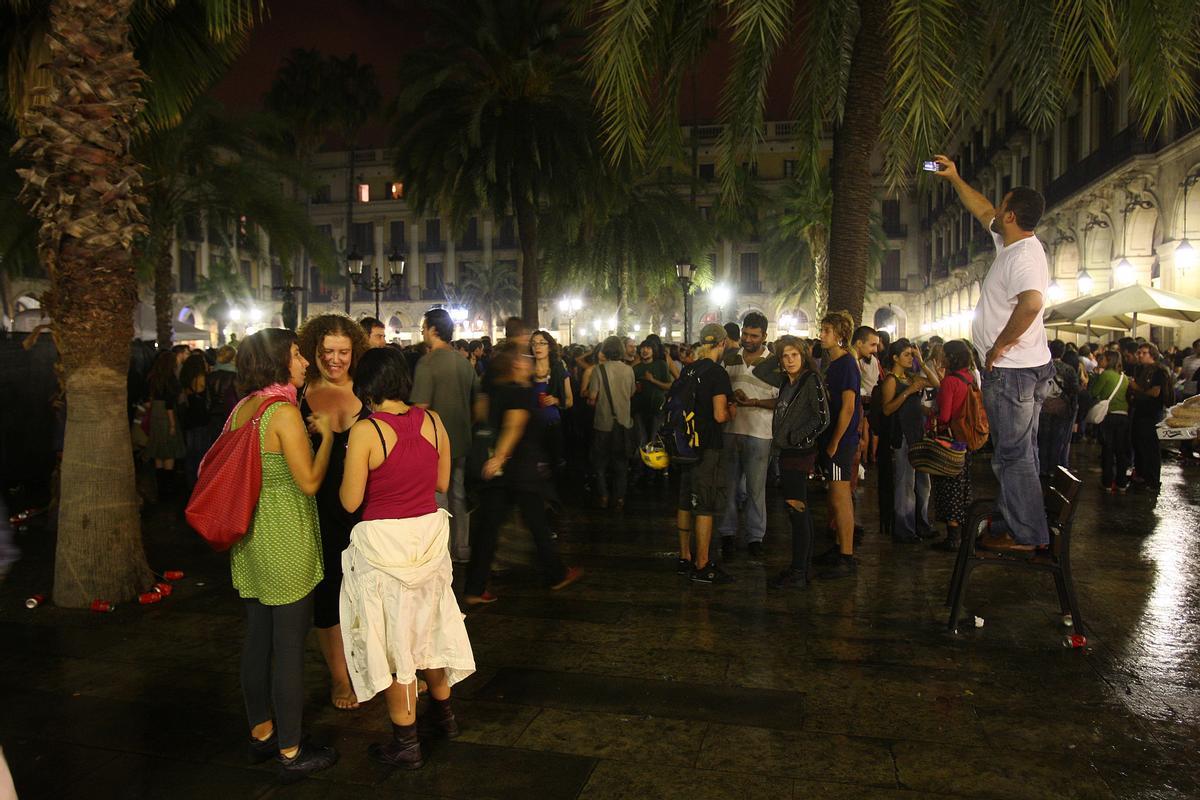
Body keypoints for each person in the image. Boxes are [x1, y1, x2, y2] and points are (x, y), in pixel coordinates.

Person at [337, 347, 475, 769]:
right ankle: (445, 717)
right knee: (429, 630)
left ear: (366, 385)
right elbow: (441, 482)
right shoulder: (433, 421)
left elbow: (350, 501)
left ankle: (406, 742)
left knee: (396, 644)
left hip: (384, 546)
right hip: (428, 541)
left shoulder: (367, 431)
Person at [230, 328, 337, 780]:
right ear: (276, 360)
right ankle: (291, 751)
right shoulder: (283, 412)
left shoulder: (245, 408)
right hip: (286, 539)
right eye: (296, 353)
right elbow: (309, 481)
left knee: (258, 639)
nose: (305, 361)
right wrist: (326, 437)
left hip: (252, 539)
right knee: (290, 648)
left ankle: (262, 733)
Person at [934, 154, 1052, 553]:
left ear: (1012, 216)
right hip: (1023, 368)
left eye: (1003, 207)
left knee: (1013, 456)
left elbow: (1032, 303)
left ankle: (1027, 534)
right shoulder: (1011, 242)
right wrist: (955, 178)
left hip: (1013, 371)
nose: (996, 211)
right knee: (1022, 452)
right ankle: (1015, 521)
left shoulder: (1023, 258)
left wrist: (1000, 344)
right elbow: (982, 209)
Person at [464, 343, 583, 604]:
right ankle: (556, 573)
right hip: (519, 469)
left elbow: (480, 415)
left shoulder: (490, 386)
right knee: (537, 523)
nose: (528, 362)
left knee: (489, 528)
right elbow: (514, 426)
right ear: (516, 364)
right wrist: (500, 457)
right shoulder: (518, 392)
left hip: (500, 474)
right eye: (524, 358)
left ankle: (475, 587)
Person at [293, 314, 371, 709]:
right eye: (326, 351)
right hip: (318, 511)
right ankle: (340, 679)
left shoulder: (368, 390)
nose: (334, 359)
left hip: (367, 510)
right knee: (328, 596)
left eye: (343, 352)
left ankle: (380, 667)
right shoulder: (298, 394)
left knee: (371, 592)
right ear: (313, 351)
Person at [756, 337, 829, 589]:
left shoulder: (810, 380)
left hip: (798, 453)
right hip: (787, 451)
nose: (789, 361)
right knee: (798, 510)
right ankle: (801, 568)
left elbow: (822, 418)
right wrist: (774, 350)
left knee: (796, 509)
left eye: (794, 355)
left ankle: (799, 571)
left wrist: (795, 438)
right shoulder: (786, 381)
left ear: (804, 356)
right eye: (785, 357)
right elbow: (759, 371)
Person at [411, 308, 479, 564]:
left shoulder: (427, 363)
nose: (422, 332)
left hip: (435, 445)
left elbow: (420, 407)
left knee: (438, 498)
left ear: (433, 329)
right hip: (461, 441)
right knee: (458, 494)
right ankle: (462, 547)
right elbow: (478, 401)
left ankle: (443, 553)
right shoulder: (464, 363)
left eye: (424, 327)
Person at [674, 324, 736, 584]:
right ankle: (702, 564)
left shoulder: (688, 369)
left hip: (684, 446)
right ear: (722, 343)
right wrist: (733, 409)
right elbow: (720, 415)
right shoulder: (717, 373)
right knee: (705, 504)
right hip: (707, 446)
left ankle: (684, 557)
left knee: (685, 500)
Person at [718, 312, 778, 559]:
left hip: (760, 433)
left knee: (756, 489)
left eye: (754, 336)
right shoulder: (730, 359)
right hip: (731, 431)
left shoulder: (774, 364)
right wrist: (732, 397)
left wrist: (754, 401)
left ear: (764, 336)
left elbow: (781, 401)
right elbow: (720, 392)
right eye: (745, 334)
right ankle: (727, 533)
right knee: (728, 486)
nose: (748, 339)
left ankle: (755, 537)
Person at [809, 311, 862, 577]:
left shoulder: (846, 364)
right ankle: (840, 545)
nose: (822, 335)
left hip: (841, 440)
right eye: (822, 329)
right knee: (835, 495)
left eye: (827, 330)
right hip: (834, 438)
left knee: (841, 497)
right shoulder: (835, 364)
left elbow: (849, 407)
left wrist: (835, 442)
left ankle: (846, 555)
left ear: (840, 335)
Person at [878, 341, 933, 543]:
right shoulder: (891, 380)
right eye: (907, 355)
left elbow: (937, 383)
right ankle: (904, 528)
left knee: (923, 483)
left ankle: (922, 524)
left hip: (918, 434)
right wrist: (908, 392)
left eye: (912, 354)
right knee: (905, 483)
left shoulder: (911, 376)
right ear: (895, 358)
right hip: (902, 435)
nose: (911, 358)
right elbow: (887, 409)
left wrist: (922, 361)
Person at [929, 340, 977, 551]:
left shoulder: (950, 382)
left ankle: (953, 538)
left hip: (950, 442)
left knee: (949, 488)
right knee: (962, 486)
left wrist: (929, 412)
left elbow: (945, 416)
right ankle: (963, 533)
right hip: (965, 439)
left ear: (951, 357)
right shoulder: (969, 377)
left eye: (944, 354)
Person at [586, 336, 636, 510]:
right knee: (621, 464)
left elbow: (592, 397)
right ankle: (620, 498)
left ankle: (604, 496)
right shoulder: (629, 370)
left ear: (605, 350)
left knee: (600, 462)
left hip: (603, 423)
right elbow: (631, 393)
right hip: (624, 424)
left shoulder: (598, 370)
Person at [1128, 342, 1172, 492]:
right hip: (1140, 412)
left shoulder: (1159, 371)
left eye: (1144, 353)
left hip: (1152, 414)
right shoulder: (1140, 369)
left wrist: (1136, 388)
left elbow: (1155, 392)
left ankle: (1152, 481)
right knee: (1139, 445)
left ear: (1152, 354)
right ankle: (1141, 476)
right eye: (1139, 352)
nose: (1140, 355)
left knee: (1150, 447)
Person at [143, 350, 186, 501]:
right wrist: (173, 424)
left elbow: (146, 399)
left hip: (155, 414)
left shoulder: (152, 377)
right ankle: (168, 489)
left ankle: (160, 488)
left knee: (158, 451)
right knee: (169, 450)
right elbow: (169, 403)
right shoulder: (170, 379)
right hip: (166, 415)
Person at [1090, 349, 1130, 493]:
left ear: (1108, 360)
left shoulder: (1105, 374)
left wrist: (1095, 377)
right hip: (1123, 415)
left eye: (1103, 358)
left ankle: (1107, 483)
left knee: (1108, 449)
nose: (1100, 361)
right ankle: (1121, 483)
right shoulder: (1124, 377)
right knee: (1120, 450)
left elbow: (1094, 392)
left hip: (1109, 415)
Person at [1037, 340, 1079, 477]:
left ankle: (1042, 468)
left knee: (1042, 439)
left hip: (1044, 406)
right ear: (1063, 352)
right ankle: (1053, 469)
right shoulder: (1069, 369)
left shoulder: (1042, 367)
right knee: (1057, 439)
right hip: (1061, 408)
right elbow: (1074, 390)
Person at [631, 338, 671, 477]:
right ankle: (640, 470)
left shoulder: (661, 365)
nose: (645, 350)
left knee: (655, 439)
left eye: (648, 348)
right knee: (641, 440)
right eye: (643, 348)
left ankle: (656, 470)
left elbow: (669, 386)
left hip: (657, 408)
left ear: (653, 351)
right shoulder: (636, 368)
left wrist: (652, 380)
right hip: (640, 409)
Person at [178, 351, 212, 489]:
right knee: (201, 450)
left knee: (191, 450)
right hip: (201, 417)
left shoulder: (185, 378)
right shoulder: (201, 379)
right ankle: (199, 482)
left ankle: (190, 481)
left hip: (189, 417)